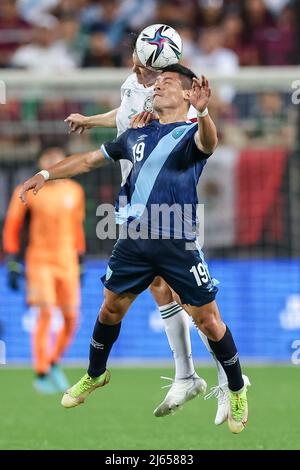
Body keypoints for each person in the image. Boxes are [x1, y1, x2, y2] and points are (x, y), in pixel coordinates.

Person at [20, 65, 250, 434]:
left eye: (168, 82)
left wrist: (204, 112)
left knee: (207, 319)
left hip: (178, 242)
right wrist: (46, 175)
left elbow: (210, 143)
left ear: (189, 95)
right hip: (134, 240)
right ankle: (95, 374)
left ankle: (236, 388)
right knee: (110, 308)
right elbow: (89, 160)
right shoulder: (135, 133)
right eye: (156, 82)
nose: (157, 86)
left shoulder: (192, 133)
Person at [64, 49, 229, 424]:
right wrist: (94, 120)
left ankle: (226, 378)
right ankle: (185, 375)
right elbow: (122, 117)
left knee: (194, 305)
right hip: (136, 202)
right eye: (137, 59)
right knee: (158, 288)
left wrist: (200, 112)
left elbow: (196, 133)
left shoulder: (172, 93)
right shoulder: (133, 87)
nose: (139, 67)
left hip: (170, 205)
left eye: (146, 62)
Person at [3, 147, 85, 393]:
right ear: (40, 162)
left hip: (68, 261)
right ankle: (40, 372)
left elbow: (77, 227)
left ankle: (52, 361)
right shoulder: (27, 191)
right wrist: (13, 260)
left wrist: (80, 260)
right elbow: (12, 226)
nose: (53, 161)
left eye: (57, 157)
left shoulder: (75, 191)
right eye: (48, 157)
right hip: (40, 260)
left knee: (72, 319)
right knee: (46, 313)